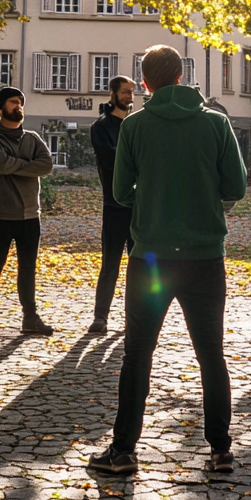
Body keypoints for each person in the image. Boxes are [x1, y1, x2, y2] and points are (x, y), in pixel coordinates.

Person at [88, 44, 247, 475]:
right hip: (204, 258)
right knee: (211, 354)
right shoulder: (216, 123)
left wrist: (152, 200)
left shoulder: (135, 126)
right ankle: (220, 449)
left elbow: (120, 192)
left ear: (145, 83)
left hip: (151, 259)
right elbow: (236, 186)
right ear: (181, 76)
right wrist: (209, 207)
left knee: (138, 353)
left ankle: (123, 450)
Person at [0, 86, 54, 338]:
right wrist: (27, 166)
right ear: (1, 108)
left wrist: (14, 165)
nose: (18, 106)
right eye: (13, 102)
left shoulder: (32, 138)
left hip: (31, 215)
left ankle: (30, 318)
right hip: (0, 214)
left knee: (28, 268)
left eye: (21, 102)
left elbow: (46, 165)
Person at [88, 76, 136, 334]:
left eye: (132, 92)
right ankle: (100, 317)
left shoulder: (137, 125)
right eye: (125, 92)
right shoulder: (100, 127)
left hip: (138, 206)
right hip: (114, 204)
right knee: (110, 264)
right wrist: (134, 160)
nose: (130, 96)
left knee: (139, 266)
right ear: (113, 94)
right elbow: (110, 160)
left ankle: (135, 319)